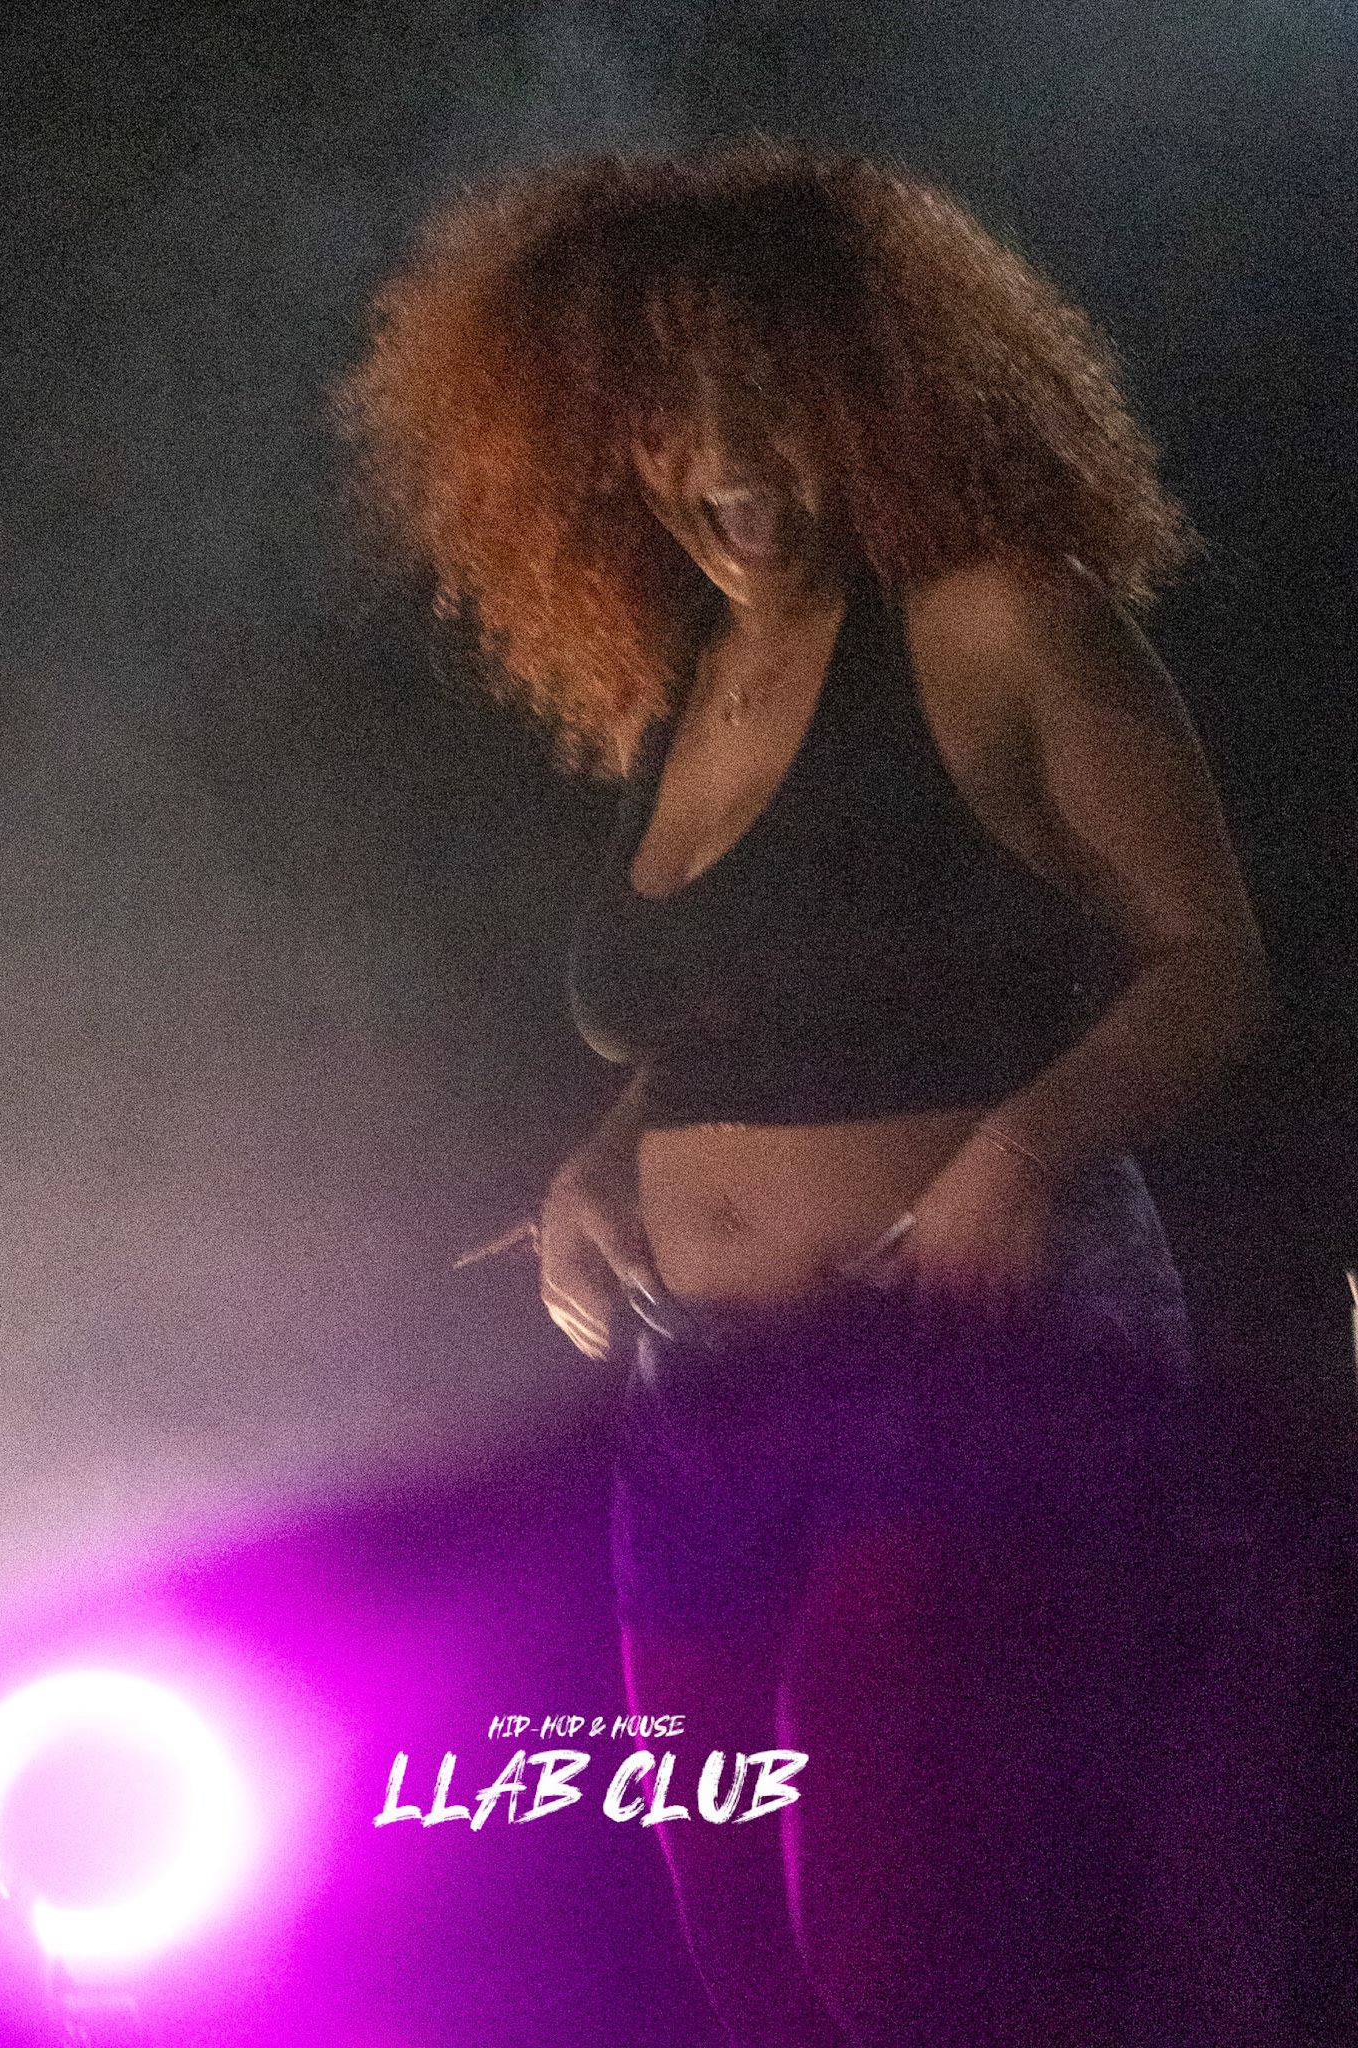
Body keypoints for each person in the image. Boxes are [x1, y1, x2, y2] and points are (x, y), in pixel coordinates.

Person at [340, 140, 1288, 2046]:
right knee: (750, 1983)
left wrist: (1024, 1151)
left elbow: (1212, 964)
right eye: (676, 412)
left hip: (965, 1359)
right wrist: (602, 1165)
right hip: (700, 1398)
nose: (734, 458)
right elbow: (714, 1030)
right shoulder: (681, 684)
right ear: (609, 437)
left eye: (776, 399)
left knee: (903, 1954)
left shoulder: (997, 618)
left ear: (875, 395)